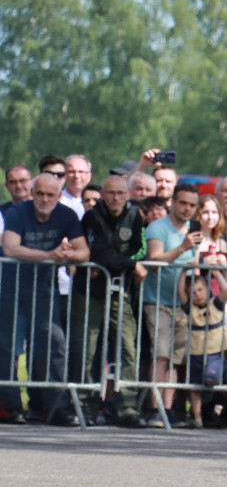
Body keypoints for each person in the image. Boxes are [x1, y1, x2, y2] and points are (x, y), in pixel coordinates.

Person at [0, 173, 89, 425]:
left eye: (50, 195)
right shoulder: (18, 212)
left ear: (58, 196)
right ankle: (12, 406)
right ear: (33, 193)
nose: (44, 199)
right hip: (12, 284)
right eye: (39, 193)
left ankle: (57, 407)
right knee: (7, 346)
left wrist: (67, 254)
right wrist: (51, 255)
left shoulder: (66, 216)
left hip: (43, 287)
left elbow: (83, 251)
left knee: (54, 342)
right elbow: (10, 248)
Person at [68, 175, 148, 427]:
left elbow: (141, 248)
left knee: (127, 347)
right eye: (111, 193)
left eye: (120, 193)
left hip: (121, 291)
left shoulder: (135, 216)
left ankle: (126, 408)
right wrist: (130, 265)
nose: (116, 198)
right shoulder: (92, 216)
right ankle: (85, 406)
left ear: (127, 195)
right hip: (90, 290)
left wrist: (127, 262)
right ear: (103, 195)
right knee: (87, 348)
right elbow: (98, 252)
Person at [141, 183, 200, 420]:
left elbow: (193, 262)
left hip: (183, 304)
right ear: (173, 202)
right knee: (161, 355)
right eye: (183, 203)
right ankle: (155, 408)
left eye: (192, 205)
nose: (188, 209)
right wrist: (182, 248)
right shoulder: (158, 227)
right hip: (157, 302)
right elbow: (154, 260)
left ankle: (168, 408)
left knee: (176, 359)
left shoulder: (194, 230)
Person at [177, 270, 227, 428]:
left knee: (211, 377)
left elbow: (226, 289)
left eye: (200, 290)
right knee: (195, 387)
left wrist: (216, 272)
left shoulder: (216, 304)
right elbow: (180, 291)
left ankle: (209, 403)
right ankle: (197, 417)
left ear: (207, 289)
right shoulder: (190, 308)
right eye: (193, 292)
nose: (197, 295)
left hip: (215, 352)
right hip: (196, 353)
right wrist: (183, 272)